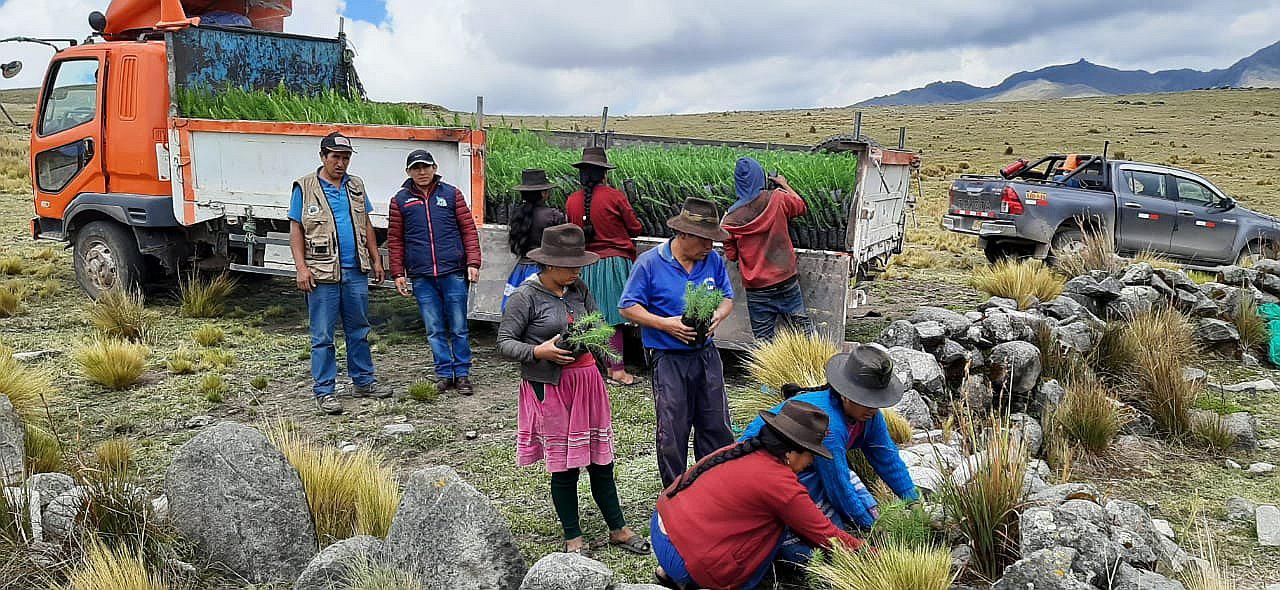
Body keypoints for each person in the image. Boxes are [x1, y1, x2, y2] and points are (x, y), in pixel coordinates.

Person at [497, 224, 650, 556]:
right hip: (551, 388)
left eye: (578, 265)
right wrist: (539, 352)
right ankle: (573, 535)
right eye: (569, 266)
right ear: (548, 263)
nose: (576, 271)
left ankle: (618, 528)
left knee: (601, 460)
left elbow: (596, 325)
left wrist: (606, 358)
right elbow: (505, 342)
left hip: (587, 383)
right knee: (564, 466)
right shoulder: (526, 296)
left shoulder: (578, 289)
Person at [652, 400, 870, 590]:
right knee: (776, 527)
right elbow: (825, 535)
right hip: (688, 560)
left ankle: (671, 574)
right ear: (790, 452)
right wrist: (872, 554)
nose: (812, 461)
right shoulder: (779, 484)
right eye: (811, 454)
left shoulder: (744, 449)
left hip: (662, 526)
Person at [739, 343, 919, 551]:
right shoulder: (828, 425)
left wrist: (913, 500)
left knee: (850, 516)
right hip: (768, 474)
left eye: (876, 402)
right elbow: (837, 485)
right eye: (866, 401)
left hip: (804, 466)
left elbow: (887, 458)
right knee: (815, 549)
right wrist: (869, 526)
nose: (873, 408)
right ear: (845, 395)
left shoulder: (869, 416)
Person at [618, 197, 735, 488]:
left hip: (706, 355)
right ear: (683, 234)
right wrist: (665, 324)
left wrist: (718, 317)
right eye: (705, 240)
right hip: (668, 358)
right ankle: (676, 492)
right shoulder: (651, 263)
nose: (711, 246)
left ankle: (715, 487)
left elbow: (727, 297)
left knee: (716, 425)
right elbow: (627, 306)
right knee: (673, 430)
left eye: (713, 240)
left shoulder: (713, 261)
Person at [289, 131, 387, 415]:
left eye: (345, 158)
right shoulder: (304, 187)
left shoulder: (355, 185)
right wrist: (301, 268)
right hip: (321, 274)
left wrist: (376, 258)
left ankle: (364, 381)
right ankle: (325, 391)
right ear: (323, 156)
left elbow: (366, 223)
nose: (341, 163)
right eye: (336, 157)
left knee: (359, 329)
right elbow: (296, 230)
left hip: (355, 270)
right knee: (322, 335)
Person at [388, 149, 483, 395]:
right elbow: (395, 239)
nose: (422, 172)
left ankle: (462, 374)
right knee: (434, 328)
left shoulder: (452, 195)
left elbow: (469, 231)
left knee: (459, 326)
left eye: (426, 167)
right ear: (408, 171)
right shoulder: (400, 201)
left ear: (435, 168)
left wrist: (473, 262)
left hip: (453, 272)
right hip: (422, 276)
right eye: (416, 168)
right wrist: (398, 272)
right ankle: (443, 373)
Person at [565, 147, 643, 386]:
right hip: (613, 264)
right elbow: (635, 228)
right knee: (613, 318)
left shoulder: (572, 200)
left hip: (586, 265)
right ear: (604, 174)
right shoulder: (615, 196)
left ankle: (595, 366)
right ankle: (617, 370)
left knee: (590, 317)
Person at [722, 157, 815, 341]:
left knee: (764, 342)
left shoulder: (729, 219)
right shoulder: (778, 198)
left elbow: (732, 256)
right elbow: (801, 206)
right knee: (804, 332)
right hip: (786, 281)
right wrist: (784, 184)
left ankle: (768, 371)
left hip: (757, 290)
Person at [504, 168, 566, 311]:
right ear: (543, 194)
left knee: (517, 310)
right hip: (544, 271)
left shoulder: (517, 215)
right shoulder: (553, 216)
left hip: (521, 269)